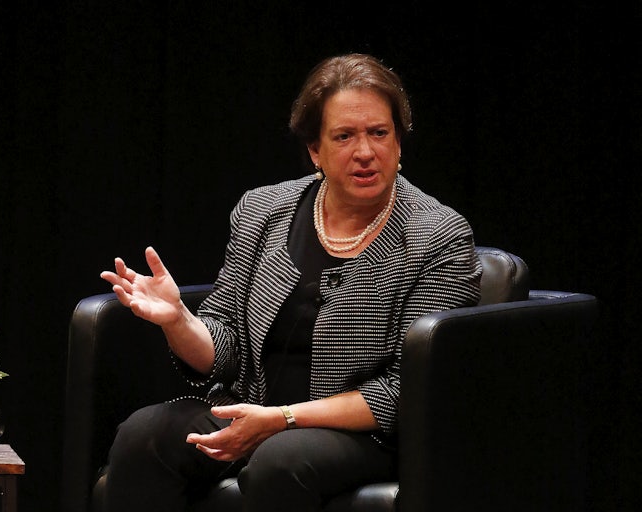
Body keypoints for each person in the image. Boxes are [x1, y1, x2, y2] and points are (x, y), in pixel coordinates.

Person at [99, 53, 482, 511]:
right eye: (344, 136)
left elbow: (408, 389)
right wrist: (178, 319)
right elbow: (225, 345)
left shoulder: (437, 236)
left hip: (364, 434)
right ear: (315, 151)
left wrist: (282, 420)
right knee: (143, 437)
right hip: (250, 408)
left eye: (379, 133)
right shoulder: (263, 211)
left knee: (281, 461)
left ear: (399, 142)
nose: (365, 151)